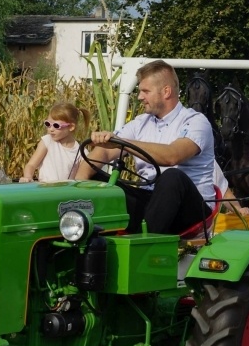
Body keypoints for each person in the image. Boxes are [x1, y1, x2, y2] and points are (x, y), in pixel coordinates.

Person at [75, 59, 215, 234]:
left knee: (172, 177)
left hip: (191, 210)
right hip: (150, 202)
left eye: (145, 91)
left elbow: (172, 156)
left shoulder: (195, 121)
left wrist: (123, 143)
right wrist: (80, 182)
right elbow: (103, 152)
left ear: (166, 91)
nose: (140, 97)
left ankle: (146, 244)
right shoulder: (140, 123)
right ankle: (84, 237)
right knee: (94, 176)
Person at [20, 102, 90, 182]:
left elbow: (82, 177)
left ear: (71, 127)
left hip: (65, 190)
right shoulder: (47, 141)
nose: (51, 129)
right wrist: (28, 177)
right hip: (45, 188)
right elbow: (31, 165)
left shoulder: (81, 152)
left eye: (56, 125)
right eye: (48, 124)